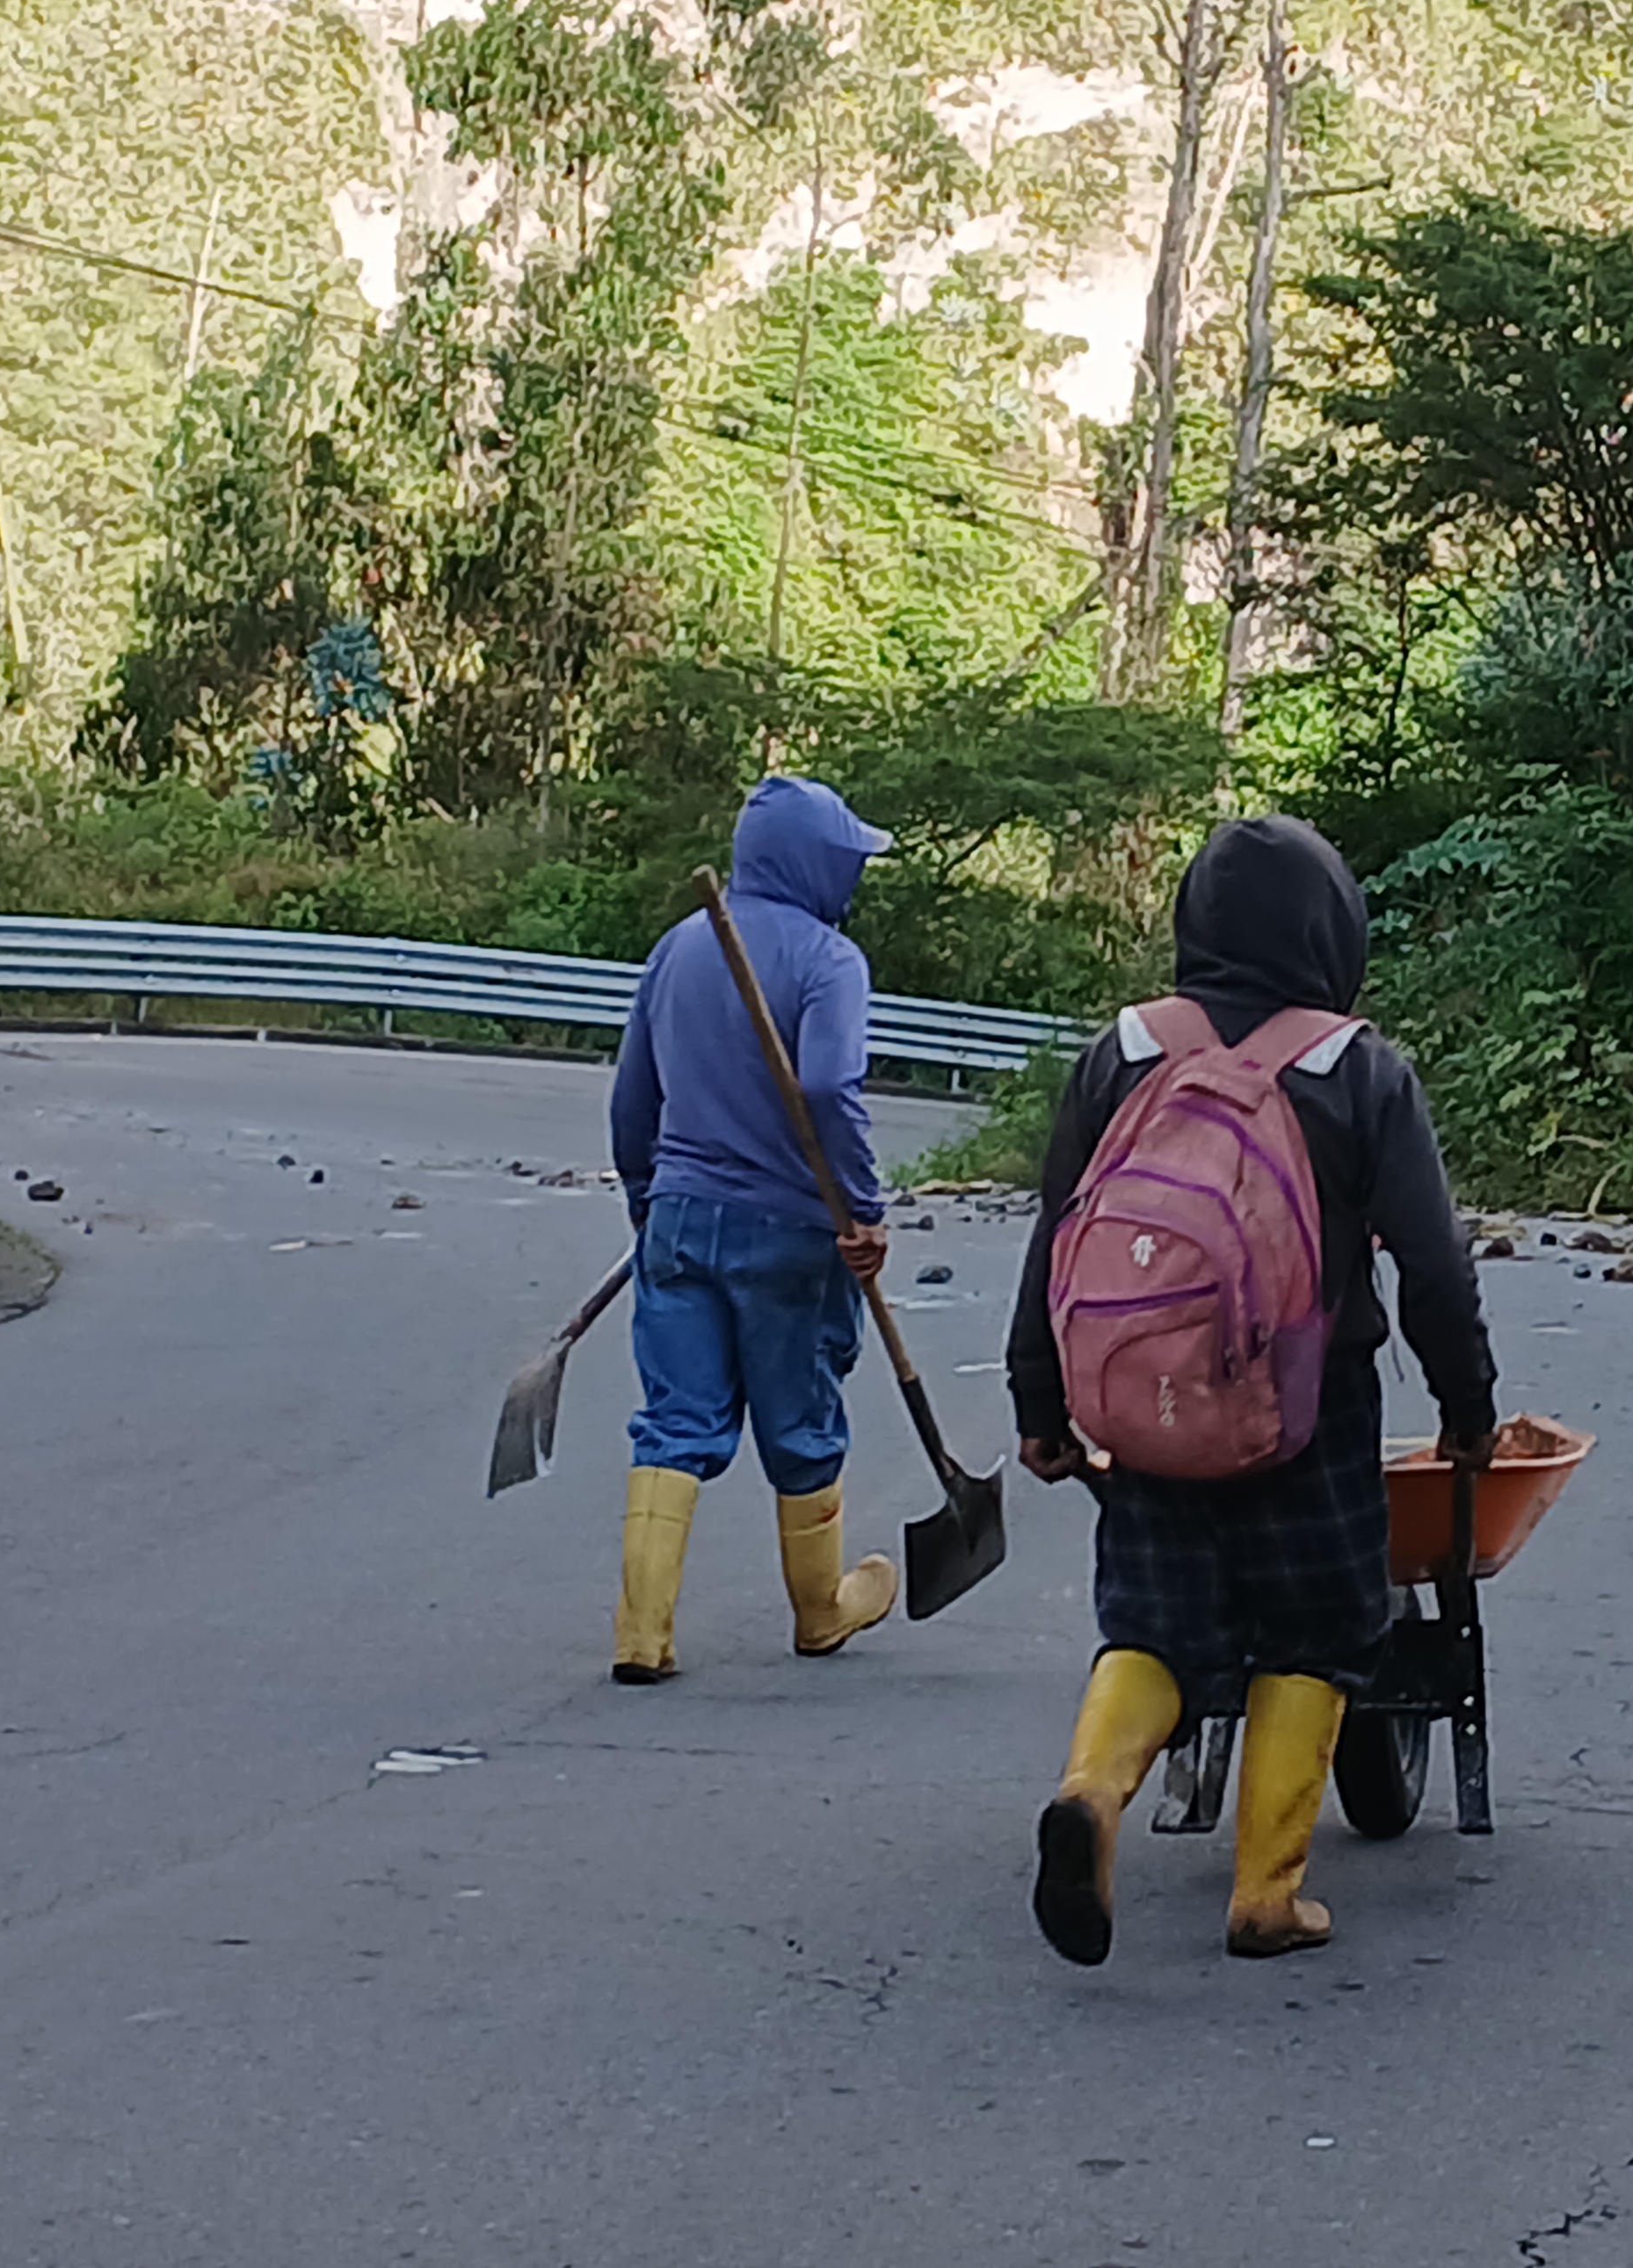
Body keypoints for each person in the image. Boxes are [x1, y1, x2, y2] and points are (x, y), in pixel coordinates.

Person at [1005, 815, 1499, 1963]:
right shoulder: (1356, 1068)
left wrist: (1041, 1404)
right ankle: (1266, 1895)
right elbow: (1433, 1265)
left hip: (1148, 1410)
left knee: (1151, 1628)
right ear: (1332, 933)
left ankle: (1091, 1794)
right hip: (1308, 1416)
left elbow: (1058, 1240)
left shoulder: (1125, 1051)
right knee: (1317, 1635)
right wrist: (1467, 1409)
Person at [605, 774, 898, 1683]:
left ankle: (642, 1633)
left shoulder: (678, 948)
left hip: (681, 1219)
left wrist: (648, 1200)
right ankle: (819, 1611)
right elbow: (828, 1087)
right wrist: (863, 1208)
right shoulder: (830, 961)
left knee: (674, 1420)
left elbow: (632, 1099)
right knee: (801, 1422)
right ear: (817, 864)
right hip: (790, 1231)